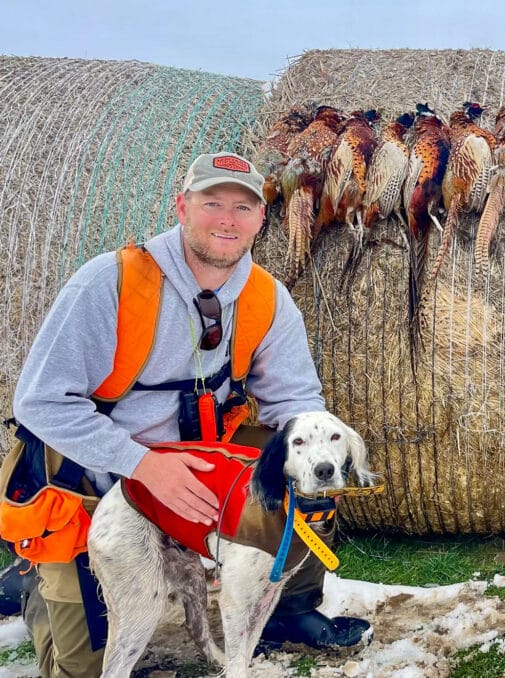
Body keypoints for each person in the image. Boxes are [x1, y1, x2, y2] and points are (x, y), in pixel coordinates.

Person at [0, 152, 372, 676]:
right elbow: (38, 403)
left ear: (260, 219)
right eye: (212, 203)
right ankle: (40, 577)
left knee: (305, 456)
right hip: (97, 468)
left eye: (243, 207)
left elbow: (297, 404)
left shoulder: (268, 299)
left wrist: (314, 460)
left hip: (201, 457)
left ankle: (286, 609)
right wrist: (143, 465)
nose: (227, 219)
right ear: (181, 207)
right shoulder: (107, 283)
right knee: (86, 667)